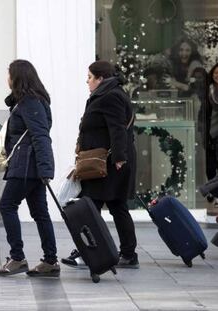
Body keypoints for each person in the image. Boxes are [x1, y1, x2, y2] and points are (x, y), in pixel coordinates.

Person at [62, 60, 139, 269]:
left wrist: (120, 158)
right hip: (107, 163)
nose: (87, 81)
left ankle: (87, 252)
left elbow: (118, 129)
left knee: (91, 208)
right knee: (113, 207)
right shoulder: (107, 95)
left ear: (100, 78)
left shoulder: (111, 96)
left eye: (89, 77)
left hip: (110, 165)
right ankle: (128, 254)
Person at [0, 59, 59, 277]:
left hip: (26, 167)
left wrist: (45, 169)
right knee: (40, 213)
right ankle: (50, 261)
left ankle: (18, 258)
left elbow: (41, 136)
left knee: (7, 206)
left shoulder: (30, 102)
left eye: (9, 73)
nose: (7, 78)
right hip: (29, 165)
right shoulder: (26, 102)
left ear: (17, 77)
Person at [199, 64, 218, 203]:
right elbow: (203, 114)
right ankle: (211, 192)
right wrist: (202, 131)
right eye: (216, 73)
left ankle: (209, 190)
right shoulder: (208, 92)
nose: (217, 75)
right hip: (211, 135)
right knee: (211, 168)